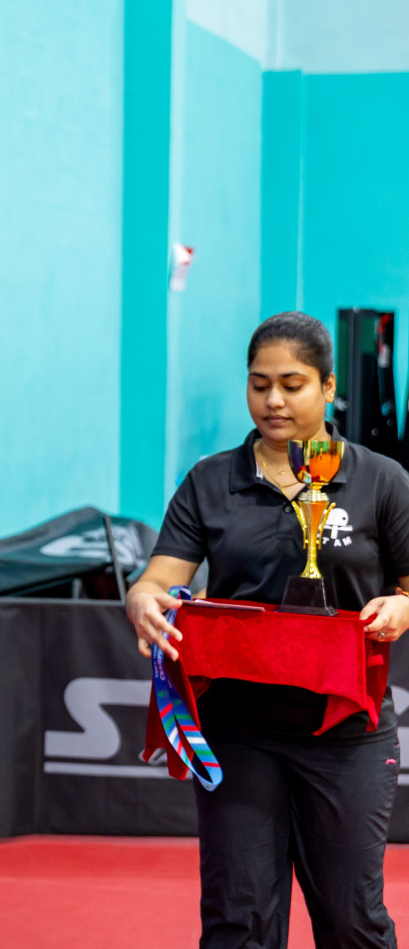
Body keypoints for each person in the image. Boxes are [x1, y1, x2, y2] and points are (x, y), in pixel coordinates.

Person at [125, 310, 409, 948]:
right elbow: (155, 580)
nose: (273, 400)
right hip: (237, 732)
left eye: (292, 383)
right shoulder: (210, 481)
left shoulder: (382, 481)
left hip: (346, 732)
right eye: (259, 384)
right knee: (237, 919)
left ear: (328, 388)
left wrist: (402, 608)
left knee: (353, 921)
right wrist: (142, 603)